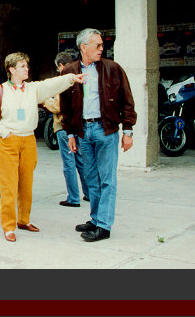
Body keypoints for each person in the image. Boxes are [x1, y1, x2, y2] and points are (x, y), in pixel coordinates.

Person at [0, 52, 86, 242]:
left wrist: (71, 78)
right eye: (23, 66)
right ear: (12, 69)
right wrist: (4, 133)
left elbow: (51, 84)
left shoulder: (32, 89)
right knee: (8, 186)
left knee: (26, 184)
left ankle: (24, 220)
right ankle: (8, 226)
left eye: (26, 65)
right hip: (8, 142)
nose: (27, 69)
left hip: (28, 141)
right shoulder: (0, 90)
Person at [60, 28, 137, 242]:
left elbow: (127, 101)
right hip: (83, 131)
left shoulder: (113, 69)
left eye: (102, 45)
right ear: (84, 47)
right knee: (91, 178)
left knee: (107, 180)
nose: (102, 48)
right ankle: (95, 218)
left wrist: (128, 131)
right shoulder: (69, 71)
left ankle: (104, 226)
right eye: (98, 45)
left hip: (106, 130)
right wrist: (71, 134)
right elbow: (65, 106)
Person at [43, 52, 89, 208]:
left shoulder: (63, 82)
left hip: (64, 127)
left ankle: (73, 198)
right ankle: (88, 193)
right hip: (79, 126)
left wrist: (45, 101)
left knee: (69, 163)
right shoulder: (83, 77)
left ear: (61, 65)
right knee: (81, 161)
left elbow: (58, 106)